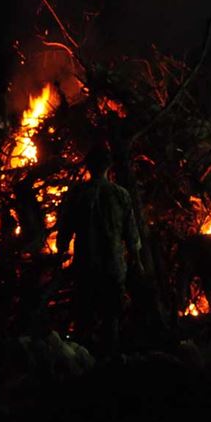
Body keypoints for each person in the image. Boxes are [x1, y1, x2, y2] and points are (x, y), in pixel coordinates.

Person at [56, 144, 143, 355]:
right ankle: (110, 365)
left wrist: (61, 253)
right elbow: (131, 232)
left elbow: (65, 228)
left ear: (88, 166)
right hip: (113, 266)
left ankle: (84, 366)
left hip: (86, 264)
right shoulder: (120, 194)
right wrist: (136, 259)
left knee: (84, 317)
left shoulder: (77, 193)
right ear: (109, 166)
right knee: (111, 317)